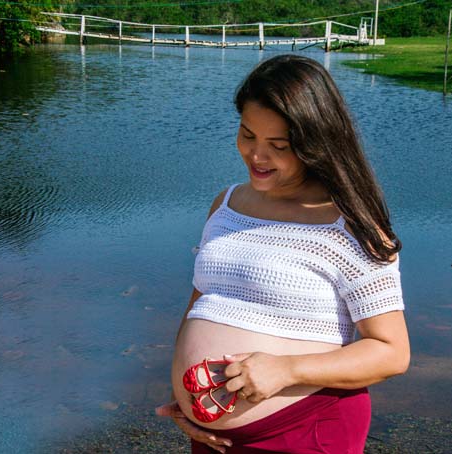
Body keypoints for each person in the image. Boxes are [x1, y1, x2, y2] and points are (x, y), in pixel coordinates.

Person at [156, 54, 410, 453]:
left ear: (315, 144)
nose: (256, 156)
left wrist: (286, 369)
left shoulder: (350, 226)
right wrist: (191, 401)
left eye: (278, 145)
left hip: (304, 430)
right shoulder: (225, 205)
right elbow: (201, 303)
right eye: (247, 135)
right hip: (213, 437)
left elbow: (392, 353)